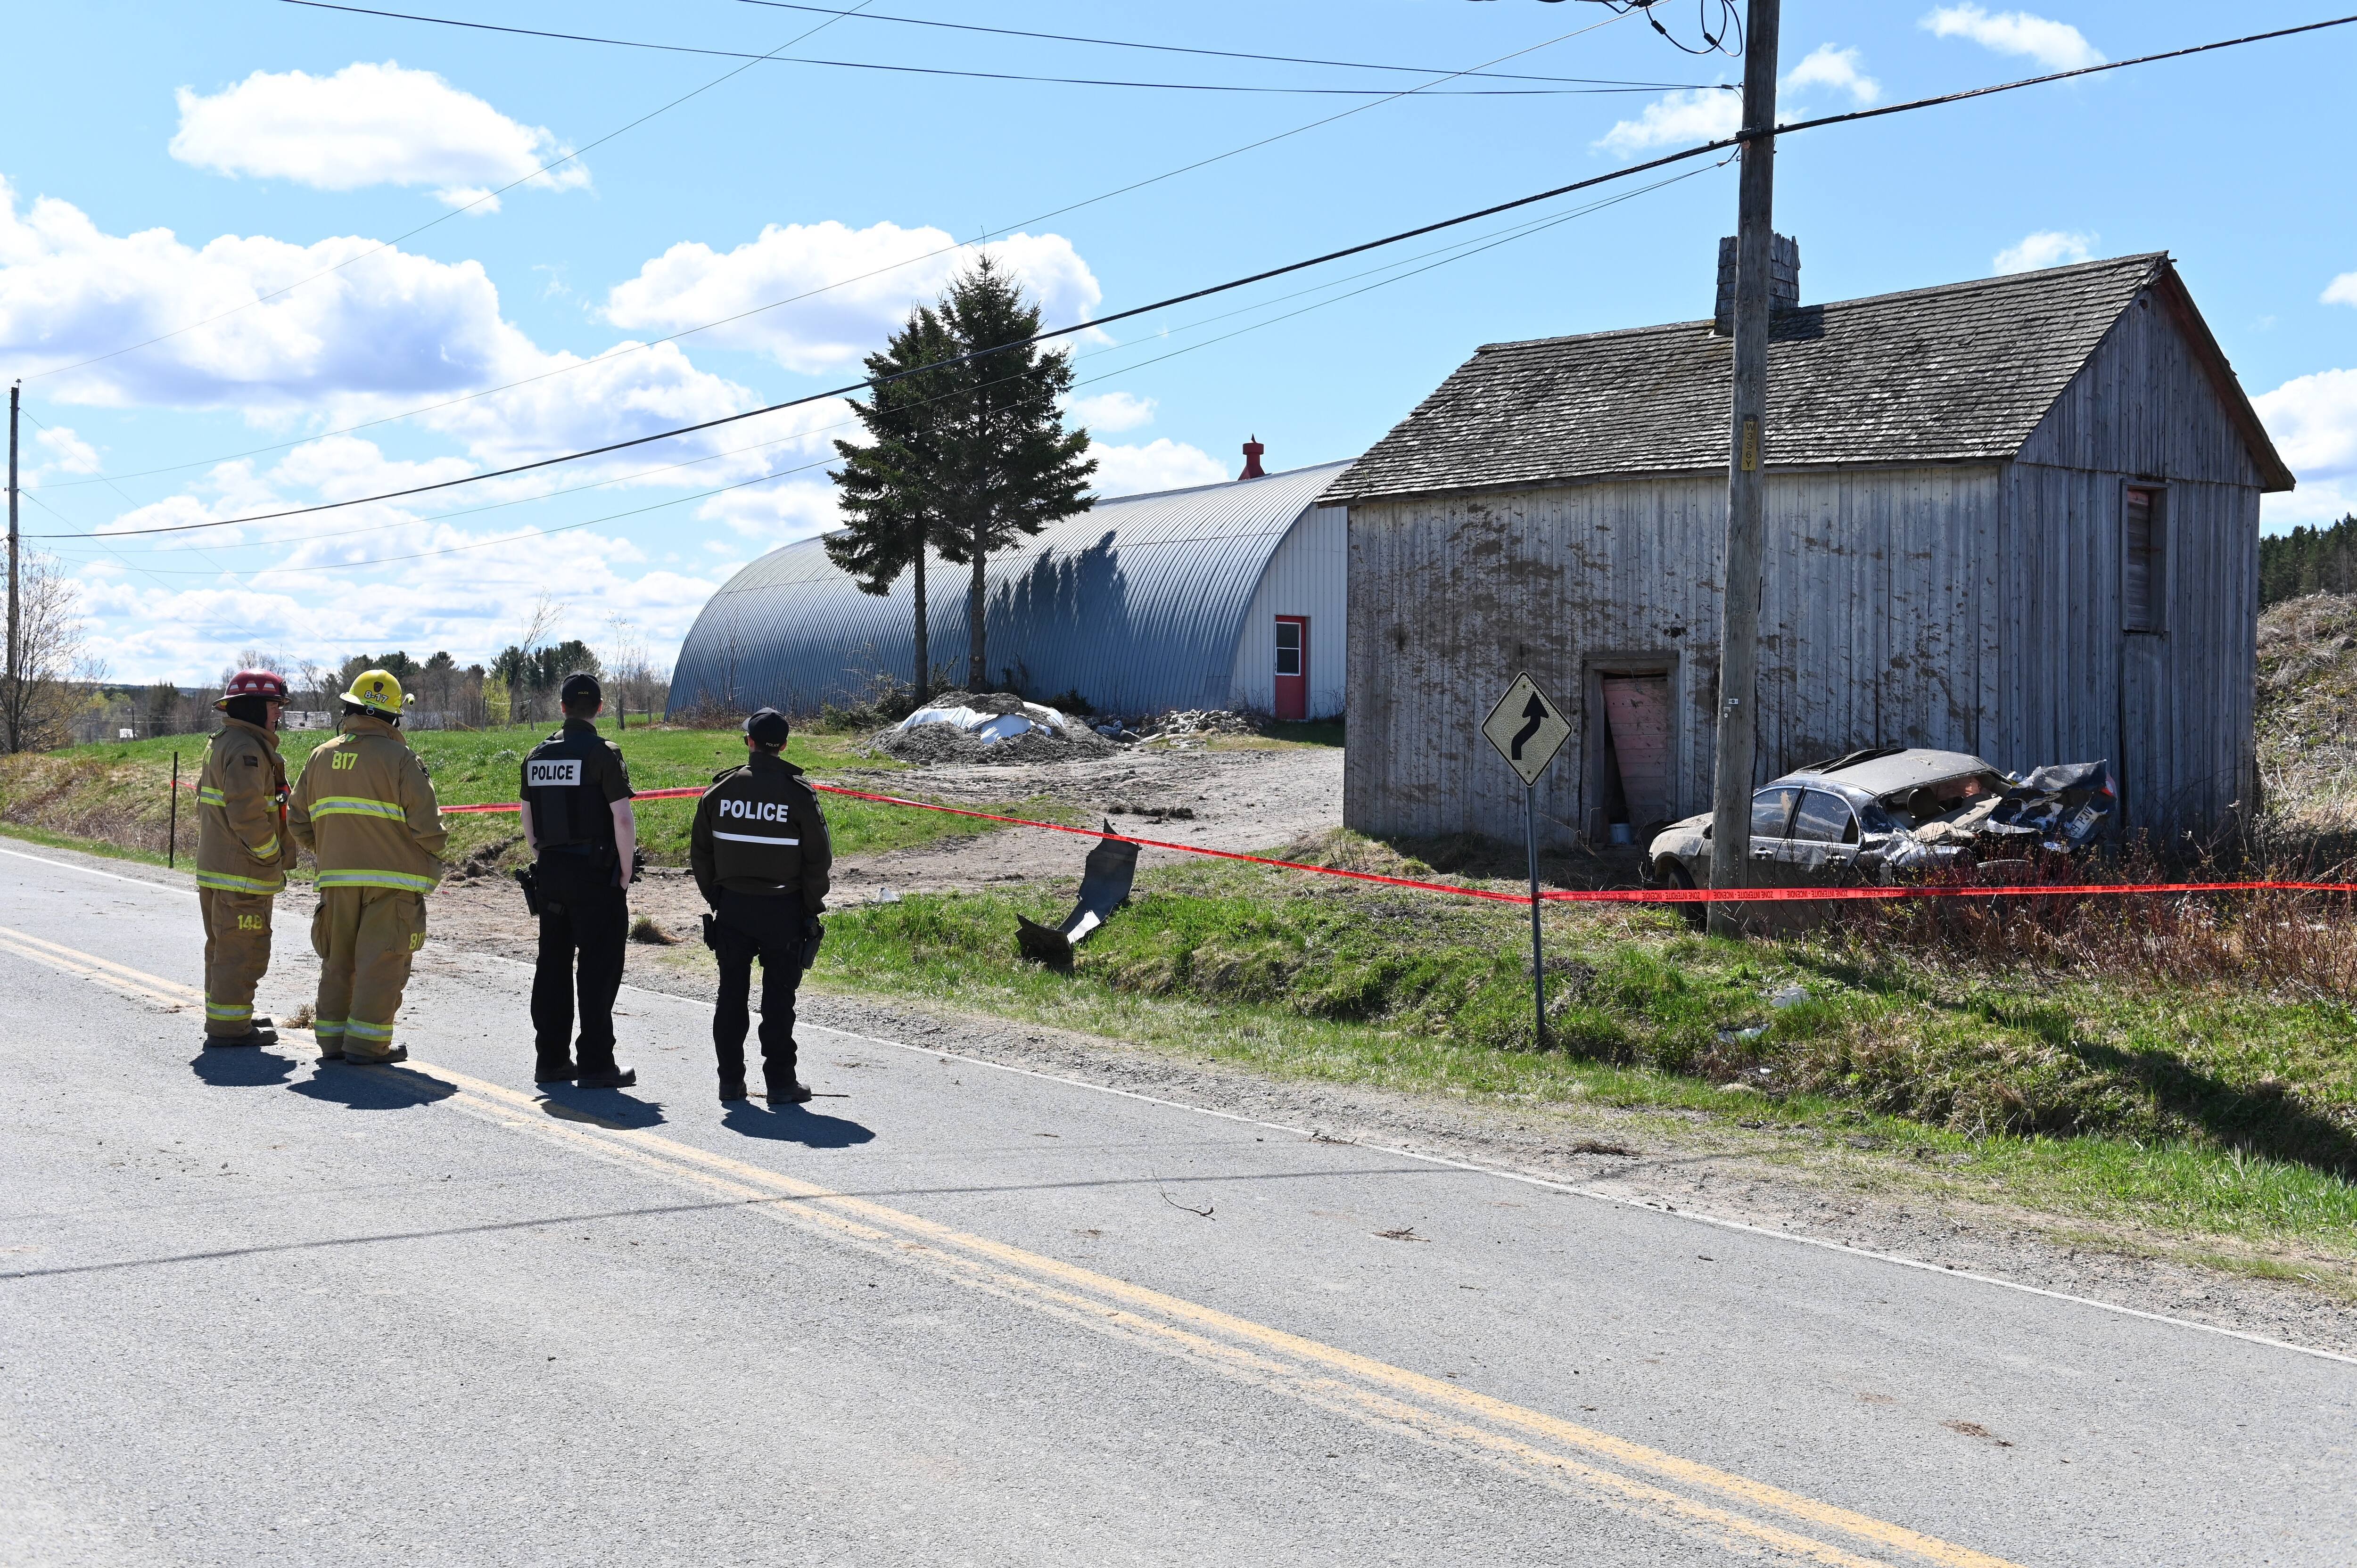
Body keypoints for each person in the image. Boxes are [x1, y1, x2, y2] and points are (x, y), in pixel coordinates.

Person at [287, 668, 446, 1065]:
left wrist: (330, 850)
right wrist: (429, 861)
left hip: (337, 882)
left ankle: (332, 1040)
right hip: (392, 884)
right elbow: (430, 829)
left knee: (338, 958)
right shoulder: (402, 760)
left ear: (350, 708)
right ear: (393, 717)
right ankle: (368, 1045)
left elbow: (297, 820)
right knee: (381, 961)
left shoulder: (320, 756)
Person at [689, 708, 831, 1103]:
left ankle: (730, 1082)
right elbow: (818, 860)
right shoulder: (798, 795)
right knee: (779, 1000)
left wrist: (718, 897)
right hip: (782, 909)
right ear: (784, 745)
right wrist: (809, 907)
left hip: (733, 909)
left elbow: (700, 855)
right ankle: (781, 1083)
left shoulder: (719, 792)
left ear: (749, 742)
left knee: (731, 995)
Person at [519, 673, 638, 1089]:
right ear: (600, 708)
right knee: (598, 969)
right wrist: (624, 871)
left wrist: (544, 856)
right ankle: (595, 1063)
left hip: (551, 873)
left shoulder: (537, 756)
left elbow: (528, 821)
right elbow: (622, 818)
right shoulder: (604, 753)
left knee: (552, 966)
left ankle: (551, 1060)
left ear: (563, 707)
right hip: (595, 875)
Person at [195, 669, 297, 1049]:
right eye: (274, 705)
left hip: (222, 868)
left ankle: (230, 1012)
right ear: (254, 707)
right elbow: (248, 814)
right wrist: (272, 855)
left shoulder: (228, 741)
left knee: (223, 946)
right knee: (242, 949)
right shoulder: (247, 751)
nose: (279, 713)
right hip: (242, 872)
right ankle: (230, 1027)